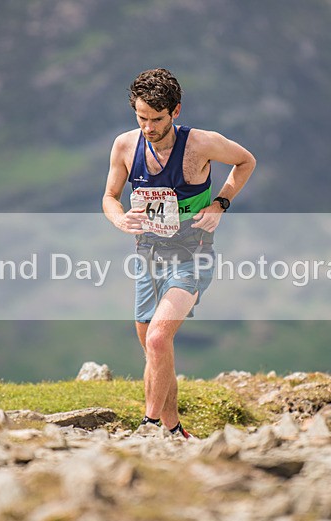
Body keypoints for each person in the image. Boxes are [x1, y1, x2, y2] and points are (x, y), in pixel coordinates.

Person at [102, 68, 255, 438]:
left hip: (192, 254)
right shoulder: (125, 146)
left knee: (158, 339)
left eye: (157, 119)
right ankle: (172, 430)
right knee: (154, 350)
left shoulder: (201, 143)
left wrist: (220, 203)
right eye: (141, 118)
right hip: (147, 257)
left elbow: (246, 161)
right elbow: (109, 197)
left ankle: (149, 425)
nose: (148, 127)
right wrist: (120, 219)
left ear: (176, 111)